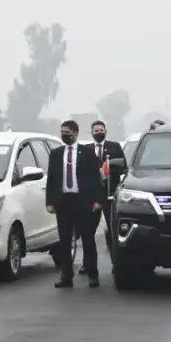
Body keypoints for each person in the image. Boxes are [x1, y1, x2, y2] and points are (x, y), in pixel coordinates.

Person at [46, 120, 103, 288]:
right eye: (62, 132)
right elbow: (51, 179)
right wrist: (50, 202)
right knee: (65, 241)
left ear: (76, 133)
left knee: (87, 239)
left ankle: (92, 274)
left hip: (83, 201)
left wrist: (98, 200)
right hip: (63, 202)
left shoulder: (87, 153)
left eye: (67, 132)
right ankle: (66, 276)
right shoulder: (56, 154)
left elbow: (95, 178)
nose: (64, 135)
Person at [89, 120, 126, 253]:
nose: (99, 133)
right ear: (92, 133)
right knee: (89, 229)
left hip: (110, 193)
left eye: (101, 130)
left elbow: (124, 167)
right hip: (92, 195)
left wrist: (110, 168)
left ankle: (114, 254)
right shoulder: (86, 149)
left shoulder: (114, 147)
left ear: (105, 131)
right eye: (96, 131)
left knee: (112, 227)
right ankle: (89, 258)